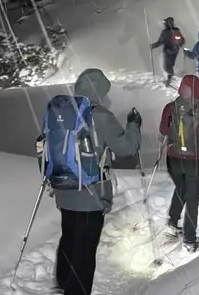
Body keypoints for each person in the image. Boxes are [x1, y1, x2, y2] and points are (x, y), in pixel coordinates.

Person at [42, 69, 142, 295]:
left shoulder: (61, 111)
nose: (107, 96)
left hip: (63, 187)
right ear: (98, 90)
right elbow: (125, 147)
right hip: (90, 192)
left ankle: (62, 282)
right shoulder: (101, 116)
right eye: (105, 91)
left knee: (69, 235)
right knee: (85, 250)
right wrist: (134, 125)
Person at [158, 74, 199, 252]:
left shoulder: (170, 107)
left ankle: (172, 221)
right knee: (193, 199)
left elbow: (163, 130)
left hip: (174, 158)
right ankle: (190, 239)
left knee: (181, 188)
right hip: (195, 160)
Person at [150, 17, 186, 88]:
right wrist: (179, 46)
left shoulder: (165, 32)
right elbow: (182, 40)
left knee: (167, 66)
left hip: (167, 50)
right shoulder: (177, 30)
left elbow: (160, 42)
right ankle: (170, 77)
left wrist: (153, 46)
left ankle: (170, 79)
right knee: (171, 65)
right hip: (175, 51)